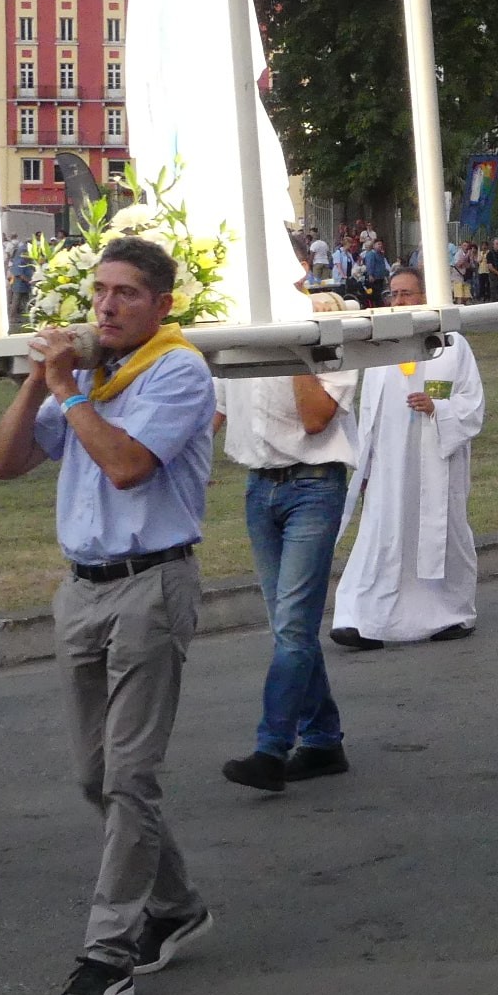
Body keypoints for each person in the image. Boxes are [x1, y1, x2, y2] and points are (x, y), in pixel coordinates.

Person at [0, 237, 217, 995]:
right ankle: (177, 904)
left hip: (151, 585)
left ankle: (106, 951)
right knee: (98, 778)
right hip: (81, 591)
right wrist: (33, 388)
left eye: (125, 294)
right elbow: (4, 465)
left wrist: (70, 393)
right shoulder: (85, 374)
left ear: (161, 305)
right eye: (99, 292)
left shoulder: (177, 370)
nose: (107, 307)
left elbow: (126, 466)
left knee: (128, 776)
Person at [207, 290, 359, 789]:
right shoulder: (243, 330)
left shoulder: (330, 336)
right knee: (287, 627)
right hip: (260, 486)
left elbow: (316, 417)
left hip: (313, 485)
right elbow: (217, 409)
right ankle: (322, 739)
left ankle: (271, 748)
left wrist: (296, 344)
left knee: (293, 627)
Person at [332, 268, 486, 645]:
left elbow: (473, 405)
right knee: (382, 534)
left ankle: (450, 613)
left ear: (424, 297)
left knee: (440, 530)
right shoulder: (382, 348)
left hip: (438, 462)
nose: (399, 301)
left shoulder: (452, 345)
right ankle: (363, 616)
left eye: (407, 294)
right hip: (389, 466)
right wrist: (365, 462)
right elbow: (367, 412)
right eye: (394, 294)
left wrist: (439, 408)